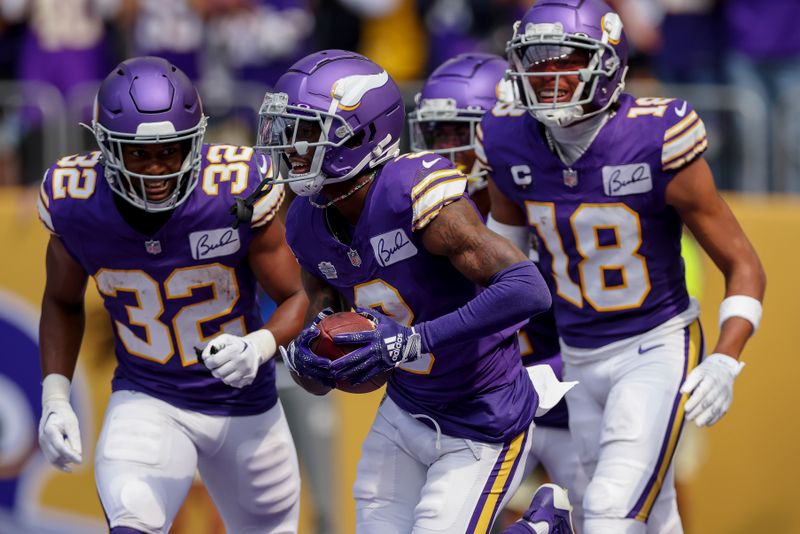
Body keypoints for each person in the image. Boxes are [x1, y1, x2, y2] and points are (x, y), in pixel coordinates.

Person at [477, 1, 766, 533]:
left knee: (611, 511)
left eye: (565, 61)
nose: (548, 76)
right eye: (535, 61)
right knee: (639, 517)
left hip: (654, 346)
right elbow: (501, 272)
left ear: (607, 64)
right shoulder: (506, 139)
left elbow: (742, 261)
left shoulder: (655, 136)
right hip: (576, 356)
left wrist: (726, 358)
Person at [252, 48, 559, 533]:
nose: (288, 148)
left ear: (361, 134)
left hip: (482, 416)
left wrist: (414, 341)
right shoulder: (307, 220)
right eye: (286, 130)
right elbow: (330, 320)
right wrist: (310, 355)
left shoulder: (411, 192)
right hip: (403, 411)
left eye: (306, 131)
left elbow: (528, 289)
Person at [35, 56, 307, 533]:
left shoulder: (234, 190)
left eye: (171, 151)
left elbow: (297, 296)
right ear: (106, 147)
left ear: (196, 143)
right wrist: (55, 395)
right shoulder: (74, 200)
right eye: (139, 154)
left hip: (245, 406)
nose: (155, 169)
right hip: (148, 397)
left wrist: (259, 346)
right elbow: (61, 299)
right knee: (133, 521)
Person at [409, 51, 587, 527]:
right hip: (494, 412)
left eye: (458, 134)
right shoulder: (430, 226)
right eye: (434, 135)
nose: (443, 154)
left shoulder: (546, 213)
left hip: (576, 407)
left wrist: (527, 381)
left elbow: (599, 334)